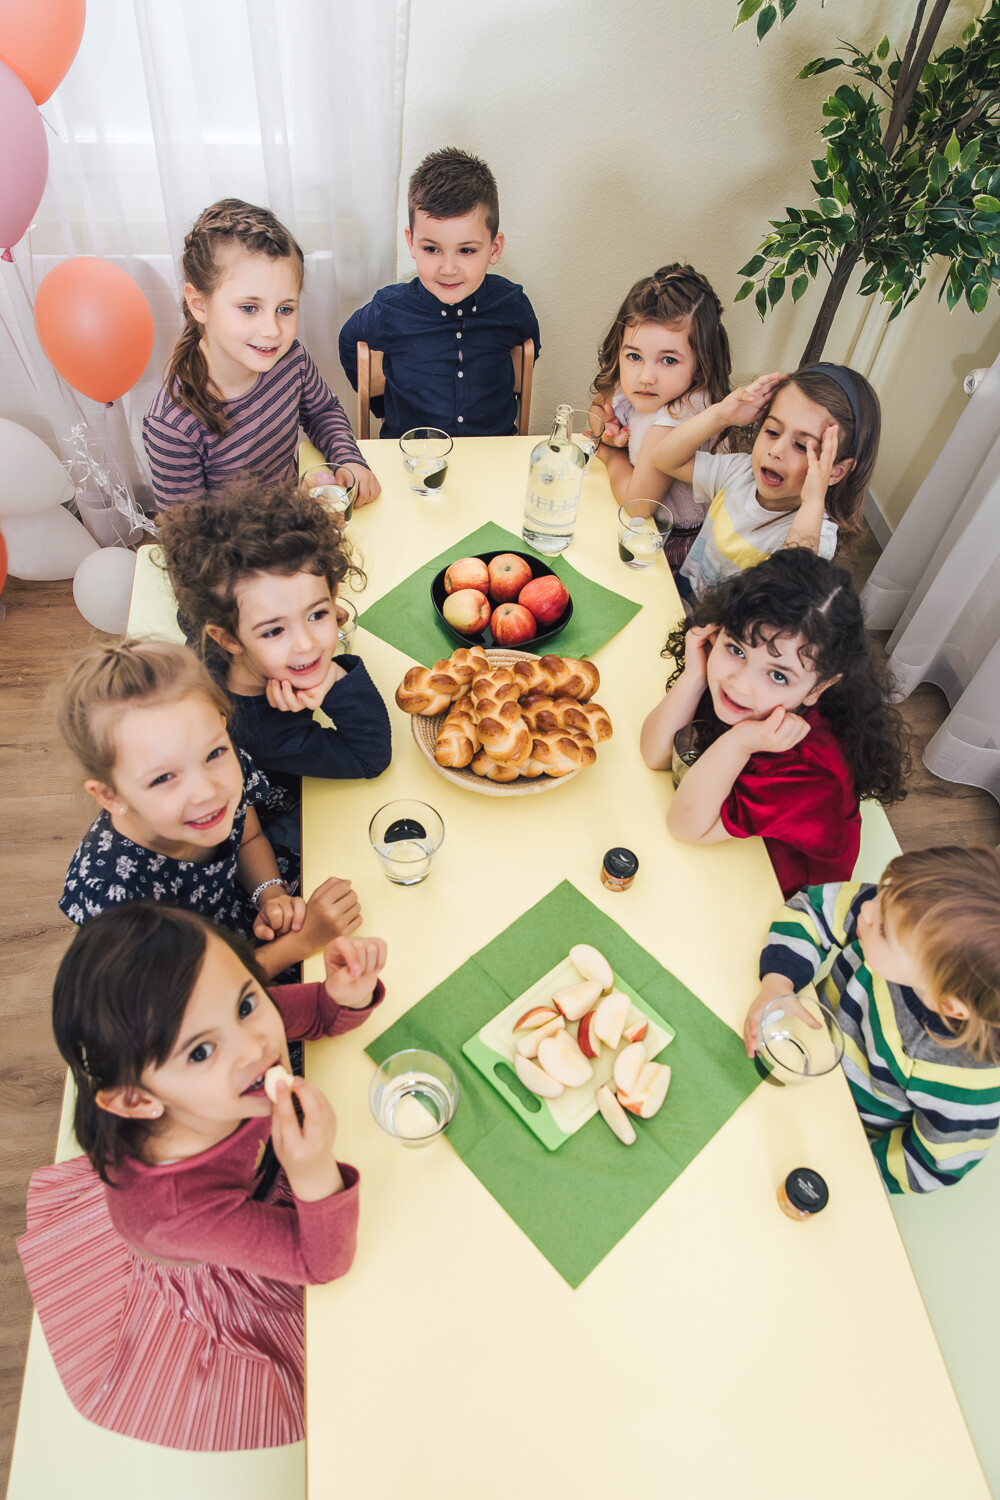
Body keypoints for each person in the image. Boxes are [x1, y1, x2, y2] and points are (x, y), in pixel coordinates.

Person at [18, 902, 385, 1448]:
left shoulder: (230, 1031)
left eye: (245, 1002)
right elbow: (320, 1261)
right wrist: (312, 1171)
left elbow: (309, 1015)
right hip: (210, 1254)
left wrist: (343, 994)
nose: (257, 1047)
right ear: (139, 1100)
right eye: (201, 1052)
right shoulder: (172, 1212)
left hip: (253, 1184)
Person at [58, 640, 361, 980]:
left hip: (243, 918)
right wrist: (303, 942)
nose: (207, 791)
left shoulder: (224, 762)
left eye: (214, 753)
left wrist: (270, 893)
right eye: (163, 778)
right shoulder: (116, 902)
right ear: (110, 796)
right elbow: (194, 996)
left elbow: (248, 838)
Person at [639, 549, 908, 900]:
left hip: (777, 885)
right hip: (729, 829)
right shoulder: (738, 691)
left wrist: (738, 742)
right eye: (735, 649)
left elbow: (684, 826)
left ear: (820, 687)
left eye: (778, 675)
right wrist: (694, 675)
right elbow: (654, 754)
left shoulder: (809, 767)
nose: (739, 684)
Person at [744, 846, 1000, 1194]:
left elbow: (930, 1165)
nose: (865, 909)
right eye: (883, 892)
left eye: (883, 930)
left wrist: (849, 1169)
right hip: (789, 1045)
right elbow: (813, 909)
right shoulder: (898, 911)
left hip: (828, 1133)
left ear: (949, 1004)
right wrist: (778, 980)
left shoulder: (967, 1084)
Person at [158, 480, 392, 854]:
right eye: (274, 631)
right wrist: (333, 678)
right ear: (229, 639)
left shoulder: (214, 629)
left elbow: (188, 615)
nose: (306, 643)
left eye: (318, 613)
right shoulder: (258, 731)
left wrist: (289, 617)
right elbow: (371, 756)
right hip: (272, 821)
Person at [143, 198, 380, 511]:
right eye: (249, 308)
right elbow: (191, 541)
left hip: (292, 523)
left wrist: (349, 460)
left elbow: (323, 412)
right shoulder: (172, 426)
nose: (271, 329)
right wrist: (284, 520)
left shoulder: (292, 361)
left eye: (284, 309)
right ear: (199, 304)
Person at [338, 147, 540, 438]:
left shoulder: (512, 305)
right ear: (411, 242)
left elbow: (529, 352)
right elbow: (348, 342)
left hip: (493, 457)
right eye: (431, 249)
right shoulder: (389, 309)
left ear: (494, 249)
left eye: (467, 250)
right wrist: (381, 407)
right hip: (409, 459)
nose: (448, 268)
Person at [648, 363, 880, 599]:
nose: (776, 450)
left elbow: (788, 588)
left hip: (730, 630)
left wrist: (812, 502)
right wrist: (721, 415)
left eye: (801, 446)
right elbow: (665, 459)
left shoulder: (816, 534)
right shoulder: (740, 472)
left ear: (835, 472)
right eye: (772, 432)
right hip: (688, 590)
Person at [589, 264, 732, 570]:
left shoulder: (680, 413)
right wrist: (609, 426)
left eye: (669, 360)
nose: (646, 376)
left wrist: (610, 455)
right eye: (634, 356)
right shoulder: (651, 385)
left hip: (674, 543)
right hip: (642, 524)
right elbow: (600, 406)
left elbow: (637, 505)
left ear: (701, 362)